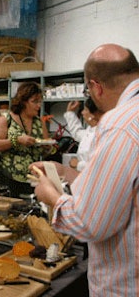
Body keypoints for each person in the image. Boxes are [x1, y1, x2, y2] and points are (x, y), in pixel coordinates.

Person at [30, 44, 139, 296]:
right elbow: (121, 187)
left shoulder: (118, 123)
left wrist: (52, 197)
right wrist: (65, 173)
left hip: (125, 285)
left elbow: (91, 223)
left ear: (96, 87)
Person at [0, 82, 50, 197]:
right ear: (23, 101)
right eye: (34, 101)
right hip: (7, 179)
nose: (39, 106)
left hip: (32, 180)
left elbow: (45, 149)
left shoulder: (39, 122)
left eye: (40, 101)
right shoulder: (6, 119)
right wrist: (16, 140)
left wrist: (47, 148)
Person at [63, 97, 103, 171]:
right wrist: (70, 112)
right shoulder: (90, 130)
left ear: (92, 115)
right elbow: (77, 133)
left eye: (85, 110)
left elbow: (99, 165)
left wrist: (78, 164)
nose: (82, 112)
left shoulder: (100, 134)